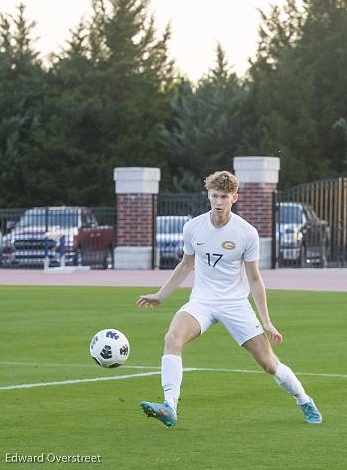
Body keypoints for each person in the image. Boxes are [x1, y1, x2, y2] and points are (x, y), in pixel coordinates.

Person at [137, 170, 322, 427]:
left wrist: (266, 321)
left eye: (224, 196)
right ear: (208, 195)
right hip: (201, 301)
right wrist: (161, 294)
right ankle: (170, 406)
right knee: (172, 338)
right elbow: (186, 264)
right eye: (214, 195)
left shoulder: (246, 233)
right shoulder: (193, 227)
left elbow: (255, 279)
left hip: (235, 304)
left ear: (235, 197)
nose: (218, 201)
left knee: (269, 364)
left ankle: (304, 400)